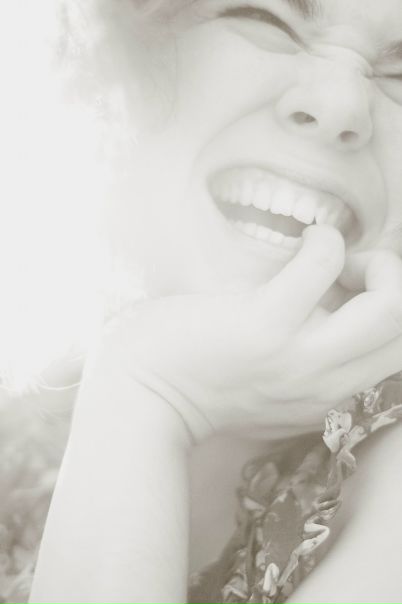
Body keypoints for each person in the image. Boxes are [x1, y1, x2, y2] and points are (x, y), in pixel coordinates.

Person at [14, 0, 402, 601]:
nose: (340, 104)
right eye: (267, 17)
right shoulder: (20, 429)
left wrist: (149, 392)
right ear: (121, 58)